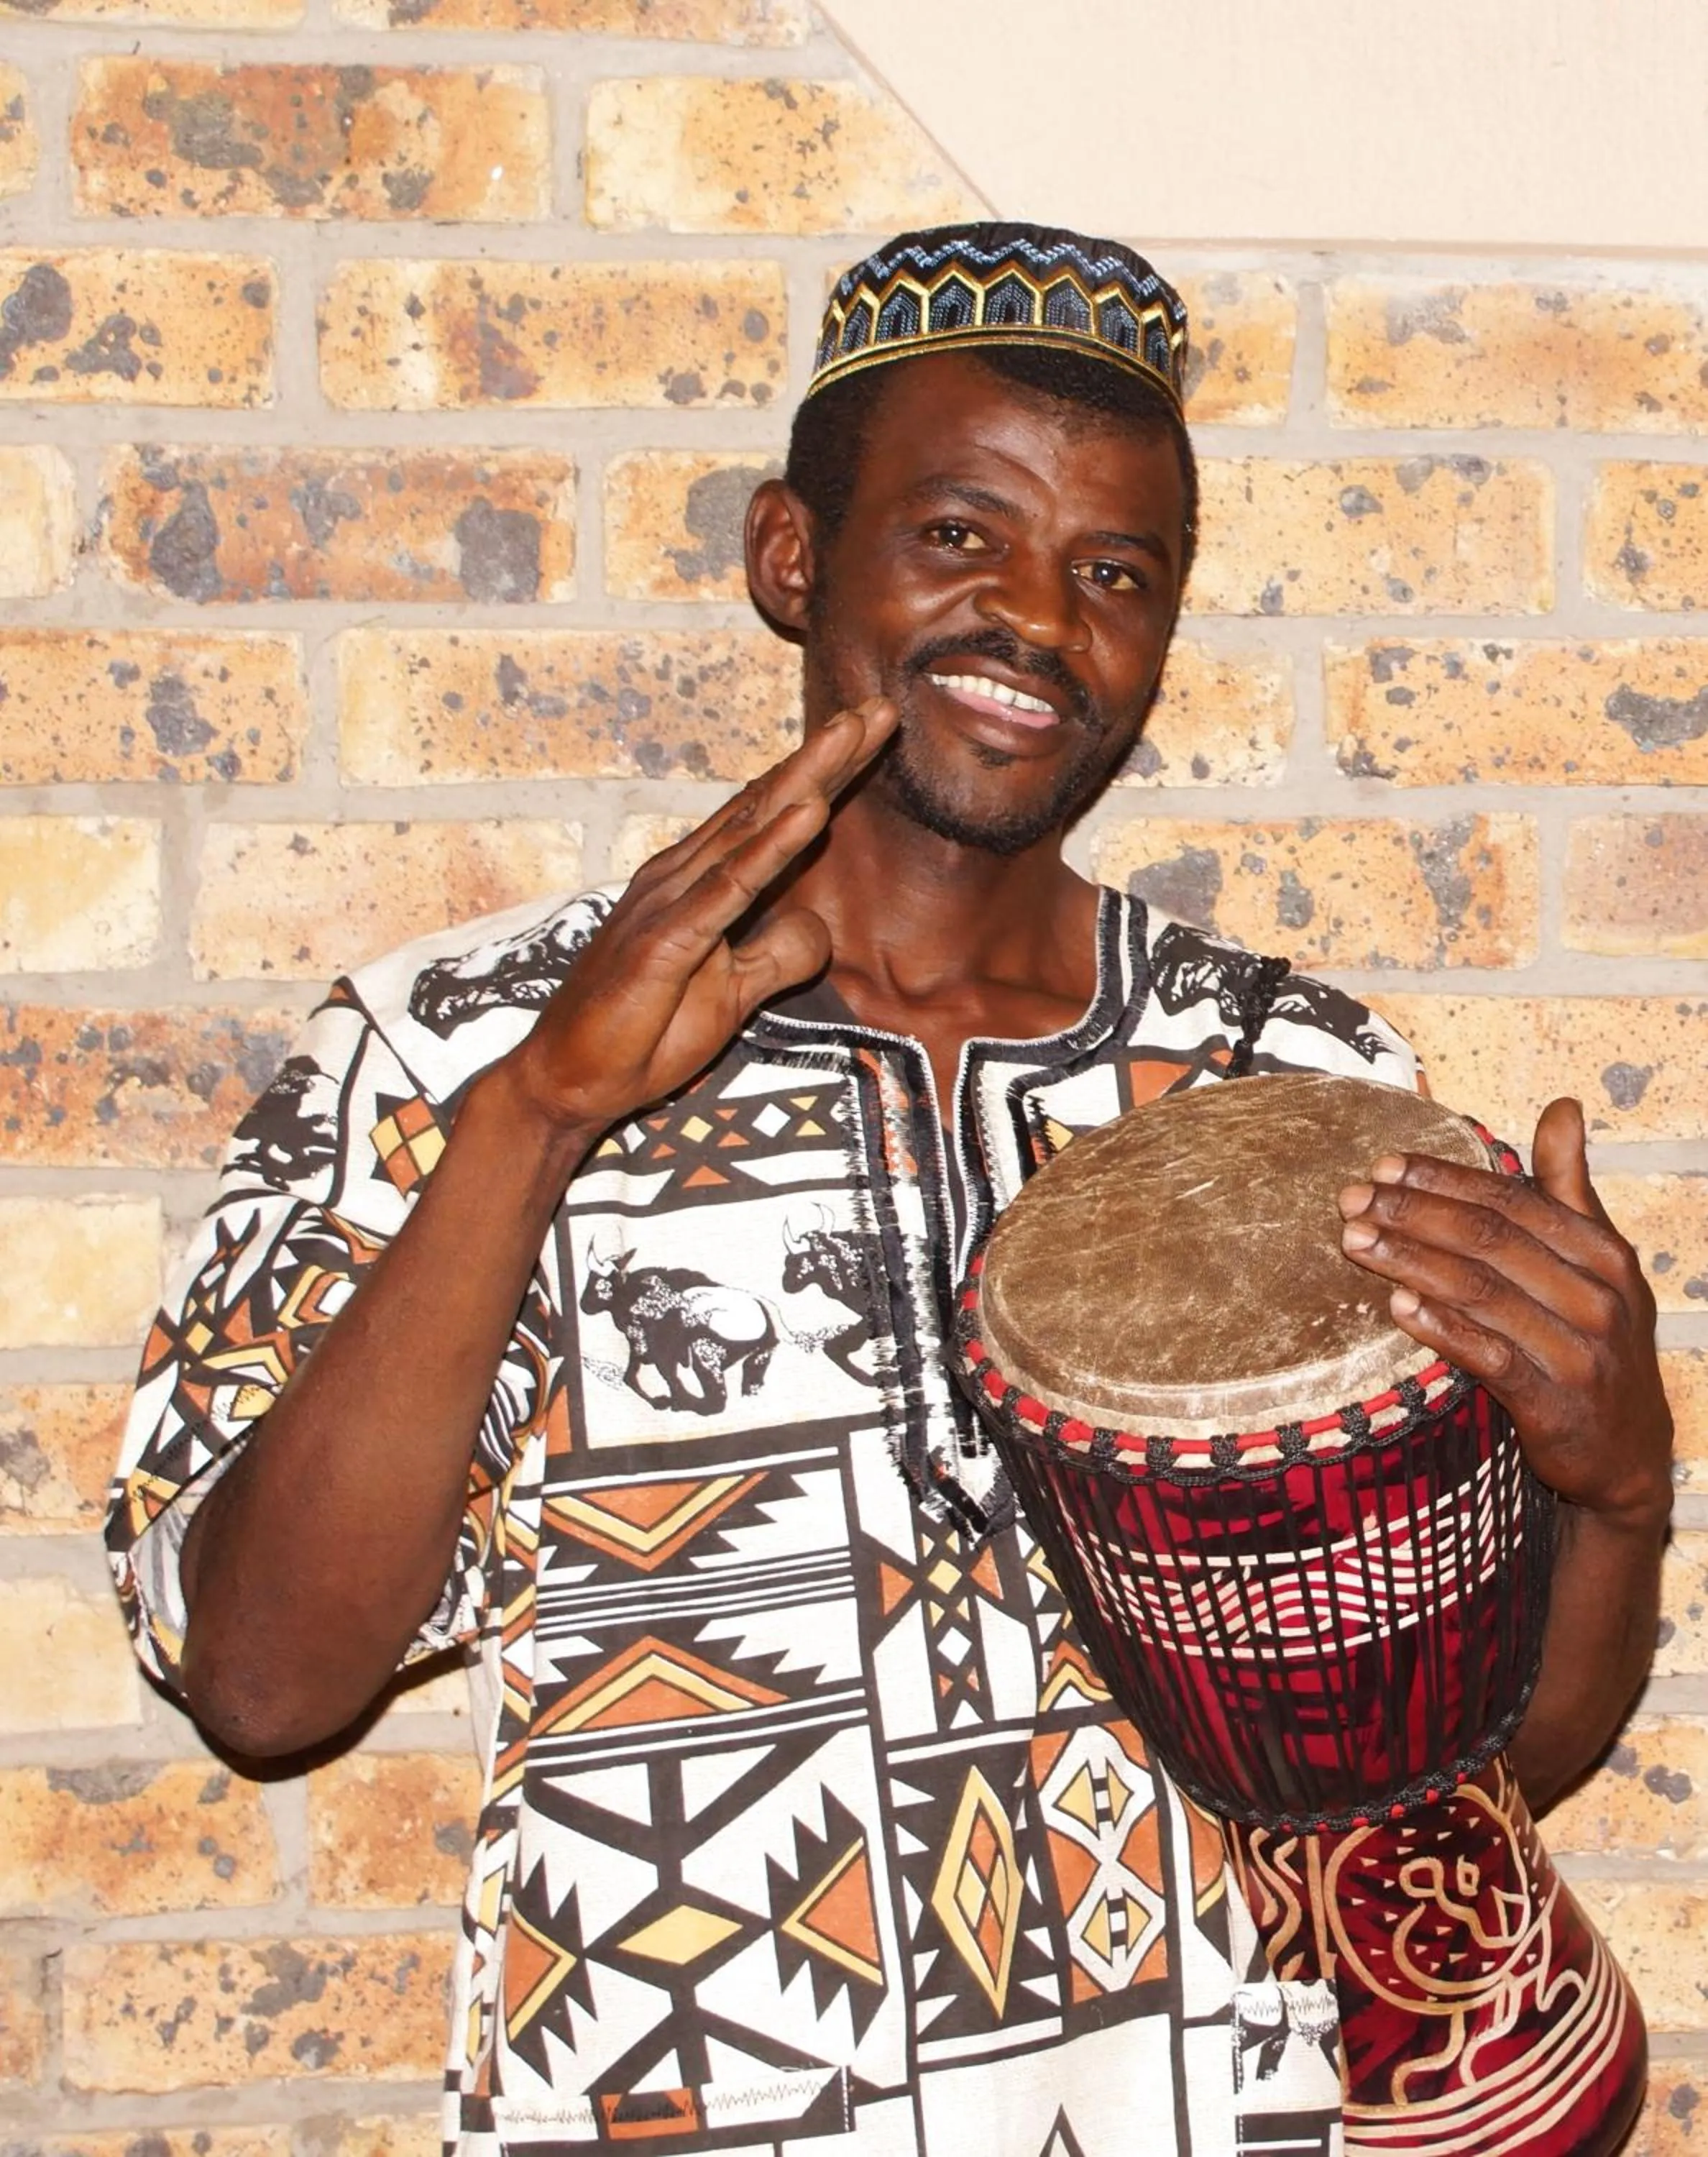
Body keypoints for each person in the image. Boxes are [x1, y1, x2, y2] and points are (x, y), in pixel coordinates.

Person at [108, 225, 1673, 2157]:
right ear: (792, 557)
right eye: (957, 534)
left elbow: (1452, 1793)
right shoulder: (452, 1049)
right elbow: (263, 1683)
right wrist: (536, 1122)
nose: (1038, 619)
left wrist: (1618, 1488)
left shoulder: (1296, 1086)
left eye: (1116, 573)